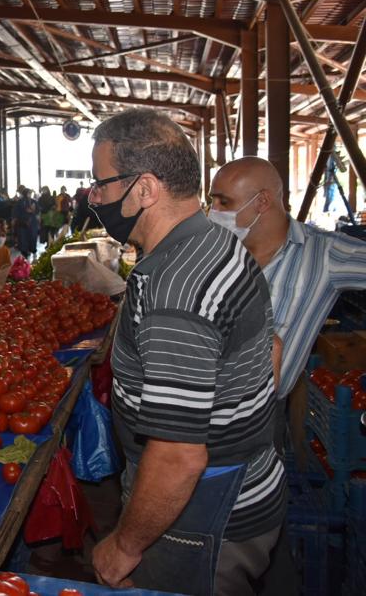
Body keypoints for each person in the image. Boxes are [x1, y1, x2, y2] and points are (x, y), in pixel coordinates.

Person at [88, 110, 284, 596]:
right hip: (242, 481)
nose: (94, 199)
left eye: (102, 185)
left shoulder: (176, 289)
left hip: (202, 515)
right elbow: (272, 348)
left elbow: (177, 456)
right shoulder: (214, 240)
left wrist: (126, 547)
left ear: (145, 189)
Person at [209, 157, 366, 402]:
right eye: (212, 200)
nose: (213, 211)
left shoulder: (324, 253)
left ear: (262, 201)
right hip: (193, 406)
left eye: (224, 202)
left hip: (260, 415)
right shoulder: (211, 252)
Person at [13, 187, 40, 259]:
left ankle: (30, 251)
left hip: (29, 223)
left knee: (30, 237)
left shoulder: (33, 201)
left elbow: (37, 211)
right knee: (25, 238)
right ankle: (27, 252)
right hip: (25, 222)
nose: (30, 194)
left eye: (30, 193)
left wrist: (33, 211)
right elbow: (16, 212)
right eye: (29, 193)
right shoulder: (21, 202)